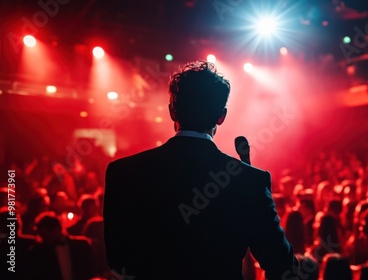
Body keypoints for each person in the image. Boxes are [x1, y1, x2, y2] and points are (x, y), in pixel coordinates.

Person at [103, 61, 298, 279]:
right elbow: (282, 266)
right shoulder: (249, 181)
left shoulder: (123, 173)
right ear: (221, 116)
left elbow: (117, 260)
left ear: (171, 112)